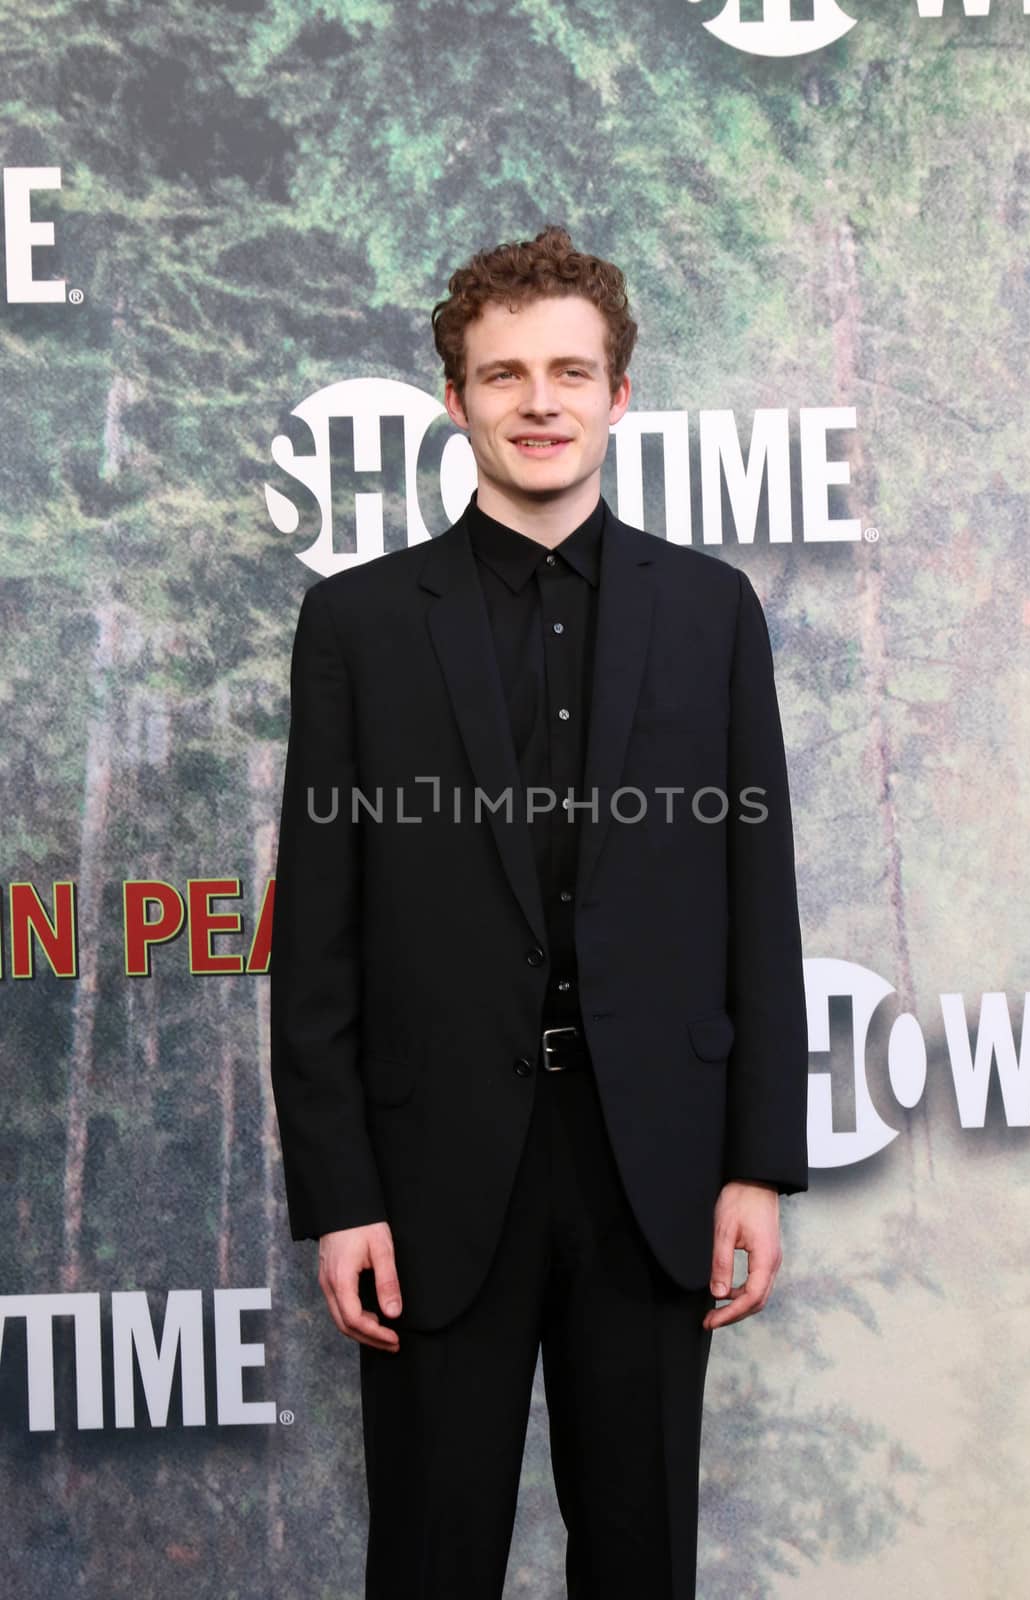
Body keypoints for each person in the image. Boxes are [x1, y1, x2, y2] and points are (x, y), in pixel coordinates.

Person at [269, 223, 809, 1600]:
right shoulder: (358, 625)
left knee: (641, 1561)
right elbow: (320, 932)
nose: (541, 401)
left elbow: (760, 902)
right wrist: (341, 1196)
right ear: (454, 400)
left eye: (571, 370)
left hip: (657, 1170)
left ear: (622, 394)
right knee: (433, 1558)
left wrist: (756, 1163)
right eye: (504, 375)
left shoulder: (712, 613)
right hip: (435, 1169)